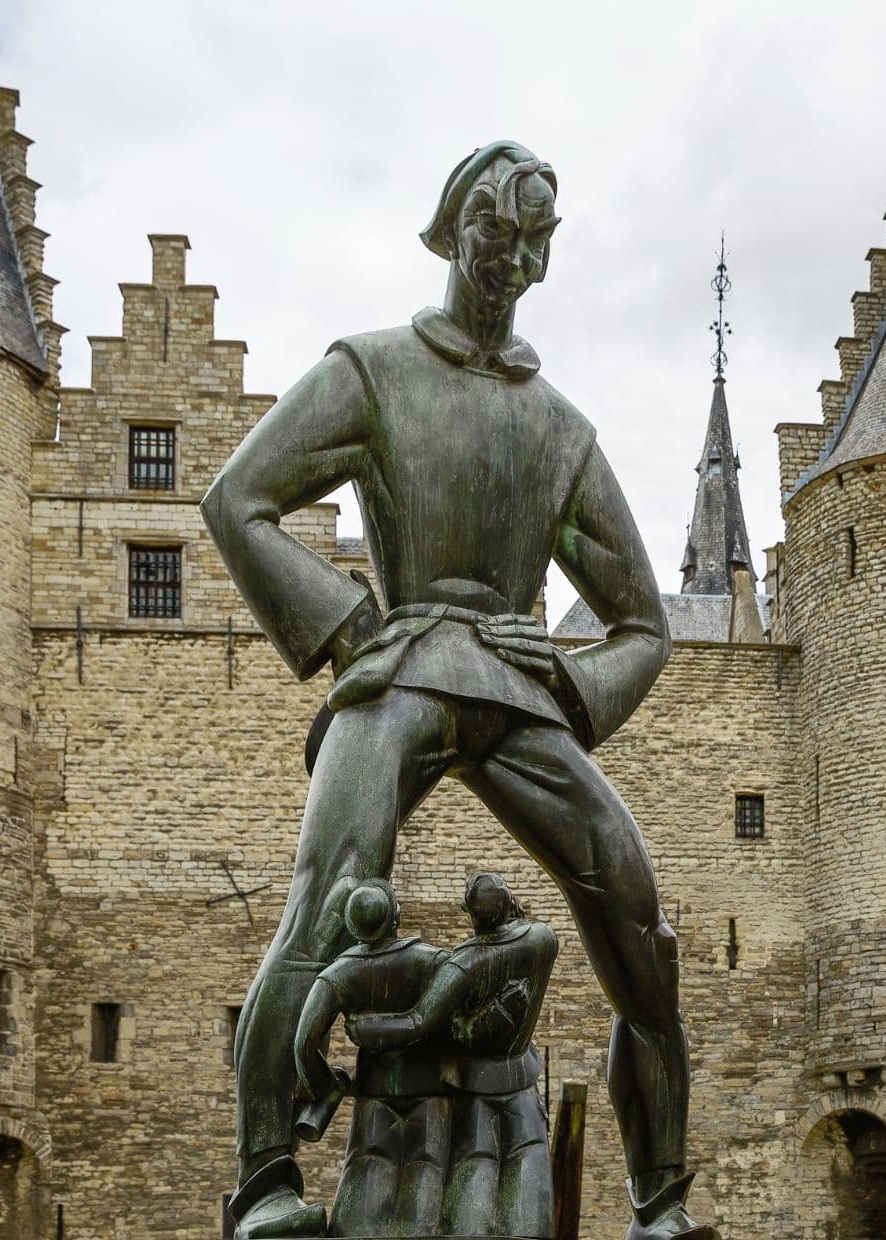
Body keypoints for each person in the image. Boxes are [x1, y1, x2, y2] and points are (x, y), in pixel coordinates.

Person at [204, 141, 714, 1239]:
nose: (516, 259)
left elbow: (645, 625)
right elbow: (236, 497)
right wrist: (347, 628)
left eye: (537, 239)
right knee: (329, 884)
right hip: (402, 667)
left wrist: (573, 691)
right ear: (452, 232)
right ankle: (265, 1183)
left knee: (635, 914)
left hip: (520, 691)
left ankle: (661, 1198)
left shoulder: (561, 428)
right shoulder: (375, 371)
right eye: (499, 231)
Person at [347, 872, 558, 1238]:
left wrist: (366, 1029)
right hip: (522, 1080)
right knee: (530, 1174)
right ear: (510, 904)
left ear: (472, 916)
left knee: (474, 1176)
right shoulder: (543, 940)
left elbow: (418, 1022)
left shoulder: (464, 963)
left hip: (475, 1086)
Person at [294, 879, 454, 1237]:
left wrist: (326, 1086)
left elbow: (304, 1044)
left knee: (364, 1179)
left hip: (374, 1096)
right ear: (395, 914)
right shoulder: (434, 961)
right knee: (426, 1175)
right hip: (431, 1094)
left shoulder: (339, 974)